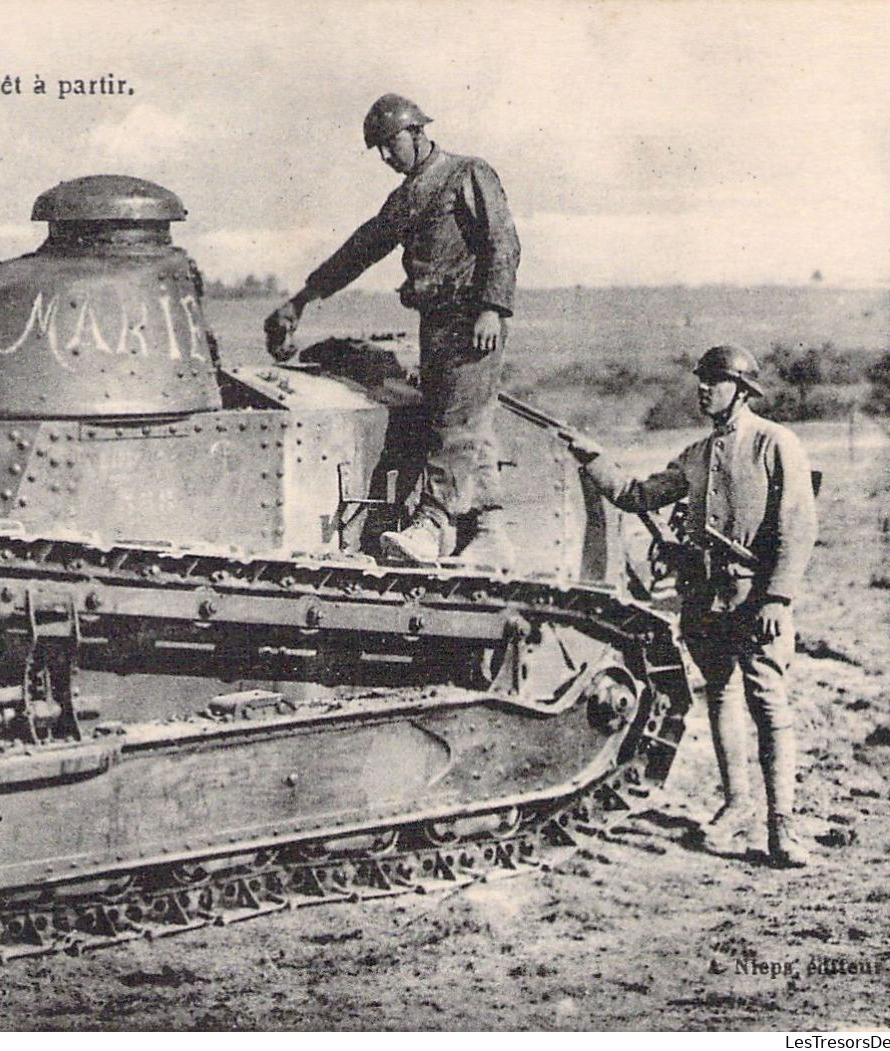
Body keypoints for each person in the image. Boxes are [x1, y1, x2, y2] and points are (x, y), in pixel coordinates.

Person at [565, 345, 818, 867]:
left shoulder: (775, 443)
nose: (704, 389)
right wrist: (593, 459)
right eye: (702, 380)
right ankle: (736, 806)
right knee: (721, 696)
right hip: (705, 600)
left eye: (716, 381)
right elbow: (638, 494)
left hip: (757, 599)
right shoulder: (697, 455)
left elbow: (798, 526)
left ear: (742, 391)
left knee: (768, 701)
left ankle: (782, 826)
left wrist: (778, 597)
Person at [266, 92, 521, 565]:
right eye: (378, 150)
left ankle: (433, 526)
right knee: (465, 419)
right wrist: (304, 298)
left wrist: (493, 307)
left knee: (456, 424)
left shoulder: (467, 174)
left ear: (418, 132)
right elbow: (360, 251)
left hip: (471, 319)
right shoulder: (405, 199)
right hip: (435, 324)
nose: (385, 156)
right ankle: (489, 531)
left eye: (390, 144)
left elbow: (502, 241)